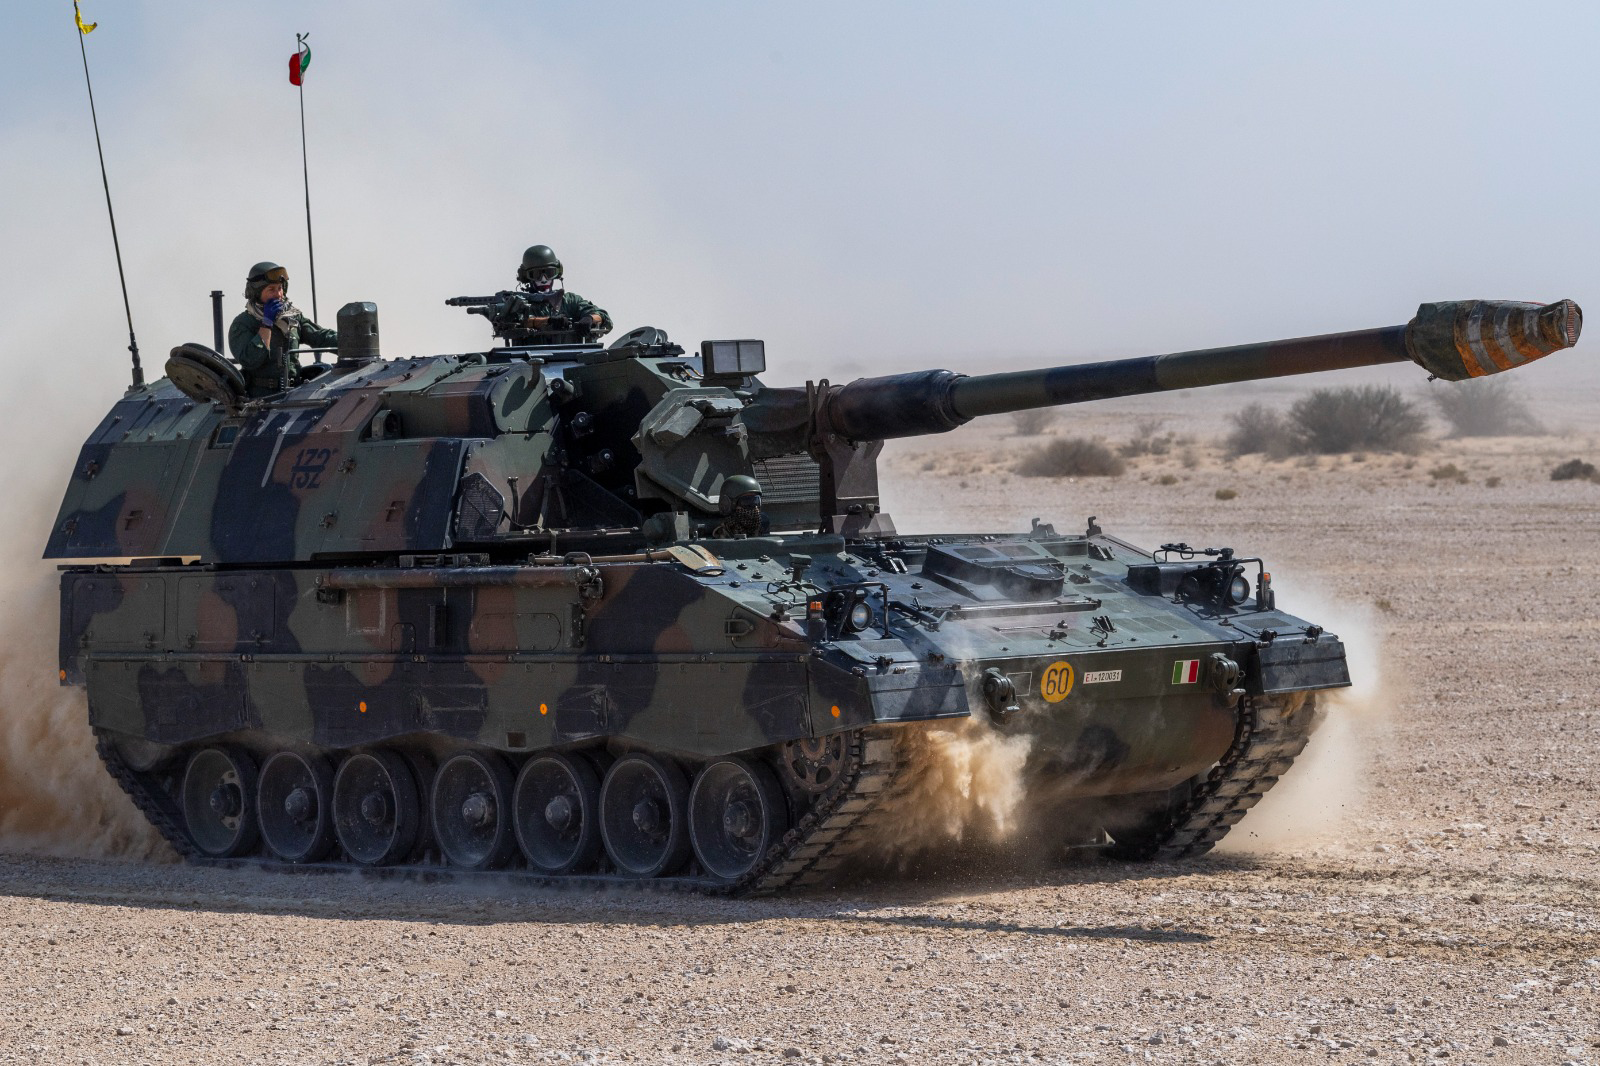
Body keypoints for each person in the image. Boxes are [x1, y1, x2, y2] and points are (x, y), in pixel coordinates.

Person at [227, 261, 338, 397]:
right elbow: (250, 360)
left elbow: (320, 337)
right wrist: (267, 323)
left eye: (280, 288)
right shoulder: (243, 323)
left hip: (294, 393)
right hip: (261, 398)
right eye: (271, 290)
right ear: (256, 293)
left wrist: (352, 342)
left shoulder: (292, 317)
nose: (278, 294)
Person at [501, 245, 612, 342]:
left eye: (549, 273)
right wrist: (549, 321)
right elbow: (514, 322)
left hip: (573, 356)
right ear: (526, 277)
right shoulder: (519, 304)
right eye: (536, 274)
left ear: (557, 273)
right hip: (530, 357)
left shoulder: (569, 301)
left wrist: (589, 319)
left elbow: (603, 317)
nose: (543, 279)